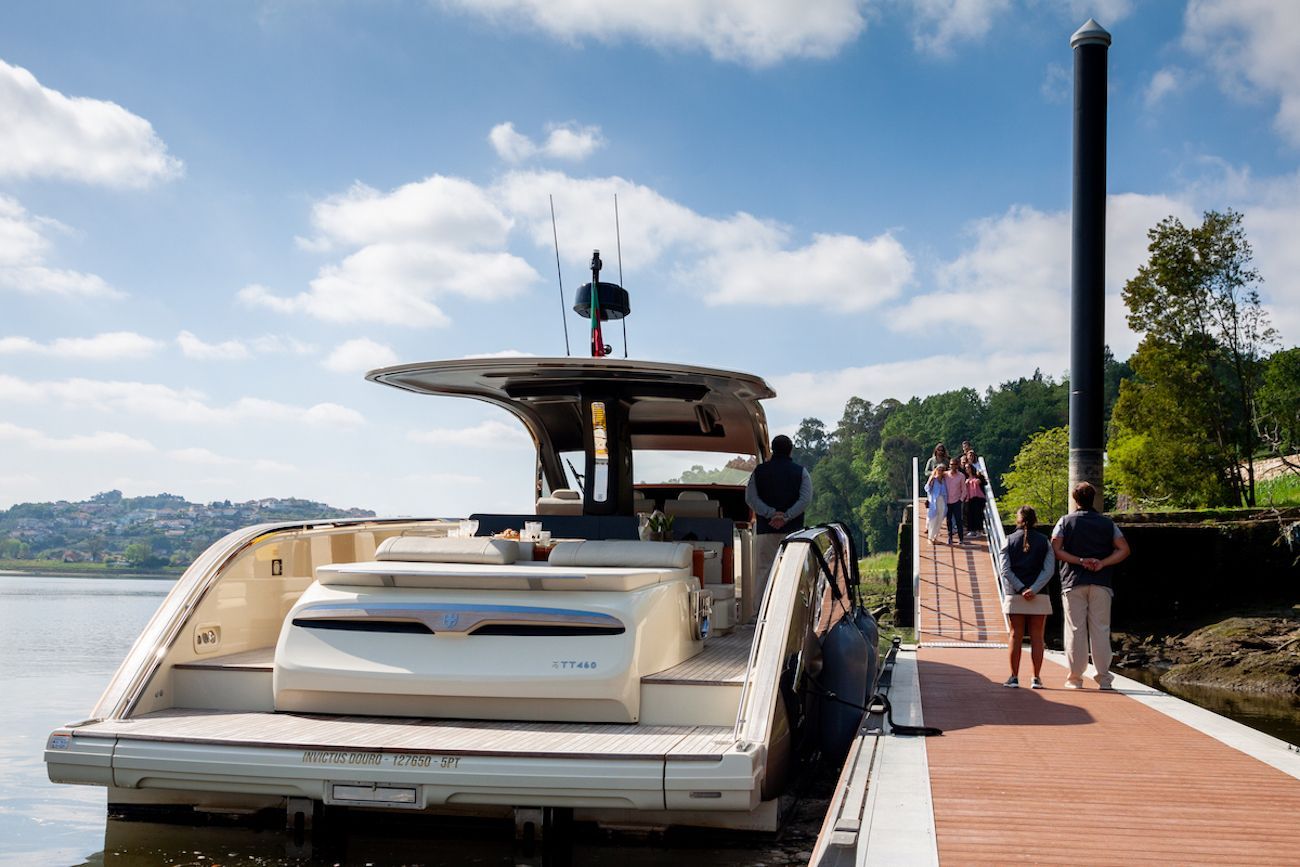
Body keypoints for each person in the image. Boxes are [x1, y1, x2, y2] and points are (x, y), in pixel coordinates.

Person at [1051, 481, 1131, 689]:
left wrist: (1079, 560)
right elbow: (1123, 549)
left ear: (1075, 499)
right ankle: (1104, 678)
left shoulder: (1065, 521)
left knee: (1075, 630)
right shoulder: (1107, 523)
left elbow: (1056, 548)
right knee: (1101, 630)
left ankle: (1075, 678)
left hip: (1073, 581)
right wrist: (1102, 562)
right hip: (1101, 581)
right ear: (1092, 498)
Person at [746, 434, 812, 609]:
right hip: (793, 531)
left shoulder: (759, 472)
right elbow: (805, 499)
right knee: (791, 571)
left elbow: (751, 498)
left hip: (765, 531)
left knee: (764, 571)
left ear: (772, 450)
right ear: (790, 450)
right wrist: (787, 516)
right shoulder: (801, 472)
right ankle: (788, 609)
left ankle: (759, 612)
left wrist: (770, 514)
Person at [999, 505, 1055, 688]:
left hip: (1015, 595)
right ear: (1035, 520)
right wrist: (1034, 588)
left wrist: (1021, 588)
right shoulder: (1044, 541)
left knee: (1015, 635)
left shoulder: (1009, 540)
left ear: (1018, 520)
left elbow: (1005, 569)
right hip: (1039, 595)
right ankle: (1036, 678)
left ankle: (1014, 677)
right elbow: (1049, 570)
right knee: (1038, 637)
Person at [944, 457, 967, 544]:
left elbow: (964, 489)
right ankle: (950, 537)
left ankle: (961, 538)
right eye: (951, 464)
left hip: (957, 501)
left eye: (954, 464)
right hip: (947, 501)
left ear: (957, 465)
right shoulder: (945, 475)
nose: (952, 466)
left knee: (958, 520)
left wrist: (961, 500)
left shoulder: (961, 476)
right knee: (948, 520)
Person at [924, 464, 948, 544]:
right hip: (934, 501)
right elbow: (927, 488)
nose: (940, 471)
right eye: (939, 470)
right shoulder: (933, 479)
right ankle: (930, 538)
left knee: (940, 519)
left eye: (942, 470)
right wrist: (930, 481)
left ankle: (935, 537)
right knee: (933, 519)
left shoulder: (944, 480)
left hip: (942, 500)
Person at [965, 469, 987, 536]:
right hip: (970, 497)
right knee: (970, 514)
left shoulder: (978, 476)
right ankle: (972, 530)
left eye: (968, 468)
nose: (967, 469)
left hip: (979, 497)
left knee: (978, 514)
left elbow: (985, 483)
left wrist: (980, 480)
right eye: (966, 468)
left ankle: (979, 530)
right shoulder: (966, 478)